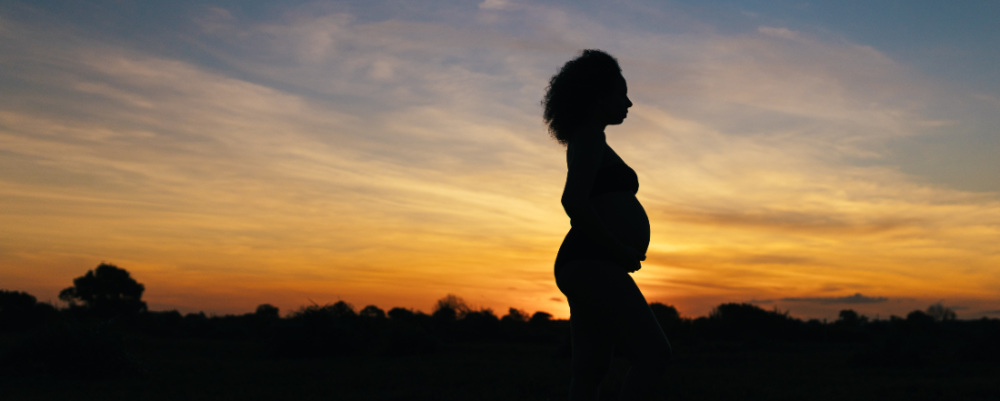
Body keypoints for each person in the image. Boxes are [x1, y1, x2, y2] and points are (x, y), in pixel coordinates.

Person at [544, 49, 671, 401]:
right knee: (655, 355)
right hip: (593, 261)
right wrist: (617, 248)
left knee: (590, 371)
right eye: (621, 93)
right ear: (598, 97)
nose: (629, 103)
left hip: (588, 263)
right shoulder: (589, 138)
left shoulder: (591, 139)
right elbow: (573, 201)